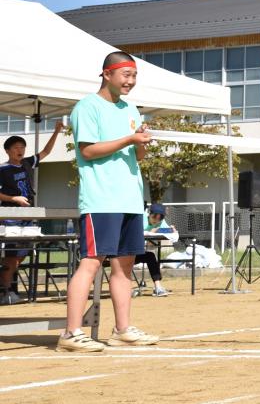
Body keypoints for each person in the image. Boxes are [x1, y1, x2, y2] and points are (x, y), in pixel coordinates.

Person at [57, 51, 159, 352]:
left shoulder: (131, 109)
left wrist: (141, 141)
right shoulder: (87, 106)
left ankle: (122, 330)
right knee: (91, 262)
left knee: (125, 266)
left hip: (130, 199)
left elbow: (138, 157)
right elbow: (87, 151)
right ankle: (71, 333)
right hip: (101, 199)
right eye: (126, 74)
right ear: (107, 74)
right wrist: (129, 139)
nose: (131, 81)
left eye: (134, 75)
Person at [0, 122, 64, 305]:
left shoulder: (27, 163)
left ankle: (6, 289)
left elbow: (46, 152)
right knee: (11, 256)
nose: (20, 150)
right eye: (16, 147)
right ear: (7, 150)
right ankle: (6, 291)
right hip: (11, 216)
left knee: (22, 254)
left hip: (28, 216)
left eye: (22, 147)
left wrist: (57, 131)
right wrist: (14, 199)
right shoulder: (3, 169)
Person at [133, 203, 175, 297]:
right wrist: (151, 231)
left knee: (150, 256)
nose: (157, 220)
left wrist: (171, 229)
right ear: (149, 213)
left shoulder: (160, 222)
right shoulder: (140, 218)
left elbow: (168, 231)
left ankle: (158, 287)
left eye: (160, 218)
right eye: (154, 216)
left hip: (137, 252)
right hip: (125, 252)